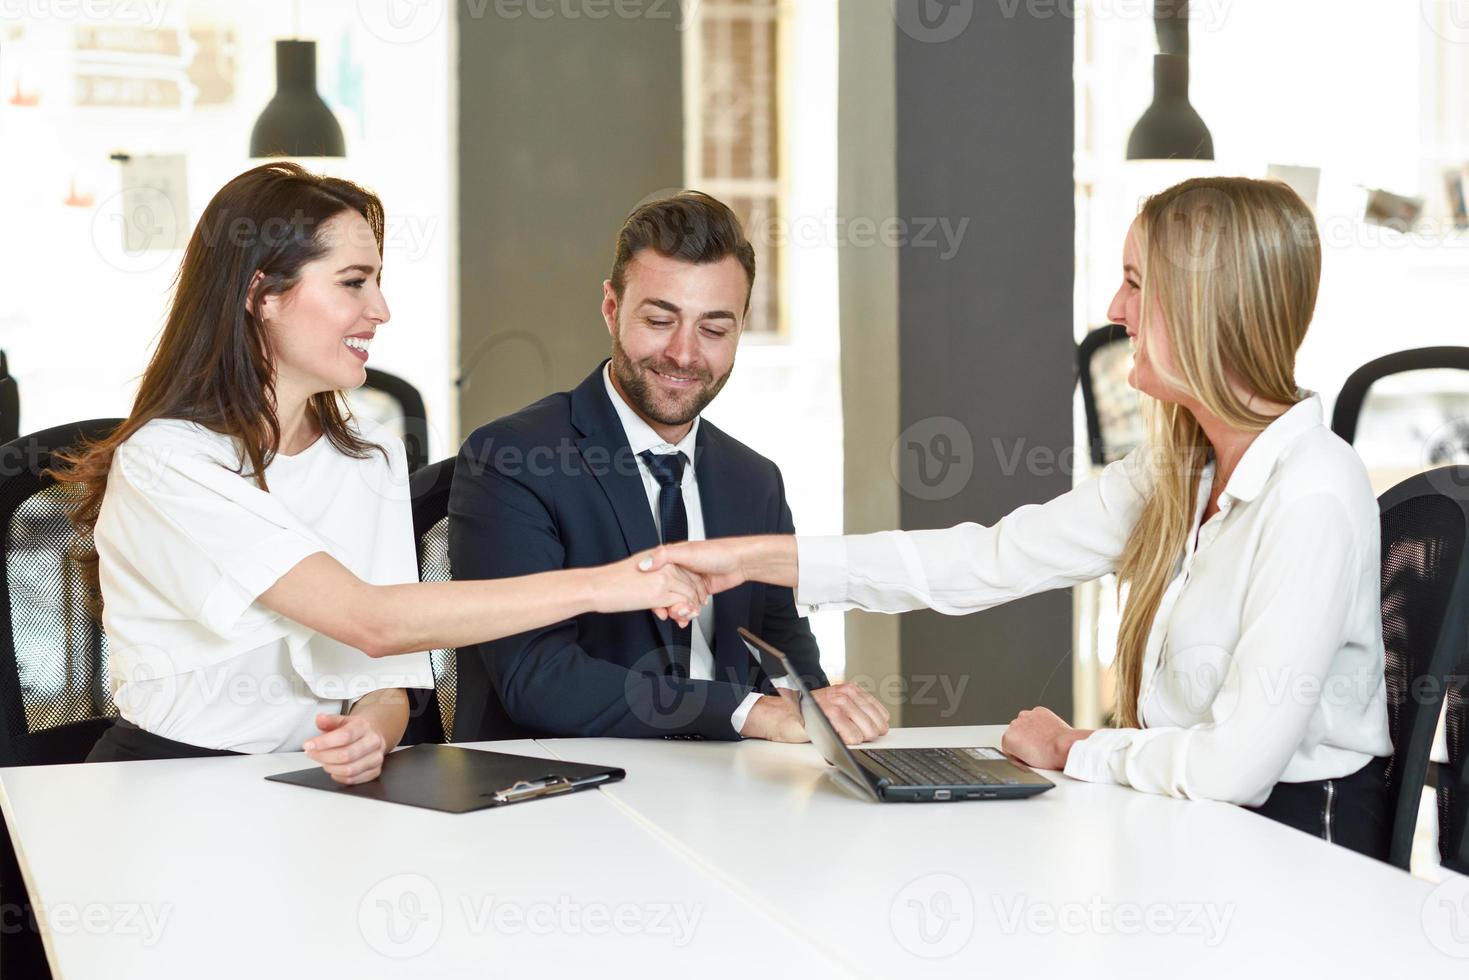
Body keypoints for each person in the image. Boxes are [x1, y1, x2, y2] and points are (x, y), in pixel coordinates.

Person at [648, 177, 1394, 860]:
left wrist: (1073, 749)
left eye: (1136, 283)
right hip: (1191, 824)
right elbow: (987, 559)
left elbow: (1234, 767)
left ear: (1208, 303)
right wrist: (749, 558)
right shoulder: (1176, 472)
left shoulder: (1311, 494)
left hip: (1294, 849)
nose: (1113, 311)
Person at [52, 163, 708, 782]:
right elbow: (370, 619)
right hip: (169, 784)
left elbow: (385, 676)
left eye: (377, 281)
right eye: (352, 282)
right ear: (262, 294)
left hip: (303, 788)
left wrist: (372, 730)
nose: (381, 309)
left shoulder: (371, 454)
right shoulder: (168, 461)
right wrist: (605, 585)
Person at [449, 191, 888, 743]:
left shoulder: (755, 480)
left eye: (713, 329)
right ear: (611, 308)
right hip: (570, 794)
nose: (683, 354)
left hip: (734, 784)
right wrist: (746, 712)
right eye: (660, 320)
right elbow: (537, 679)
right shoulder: (511, 459)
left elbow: (787, 655)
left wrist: (817, 704)